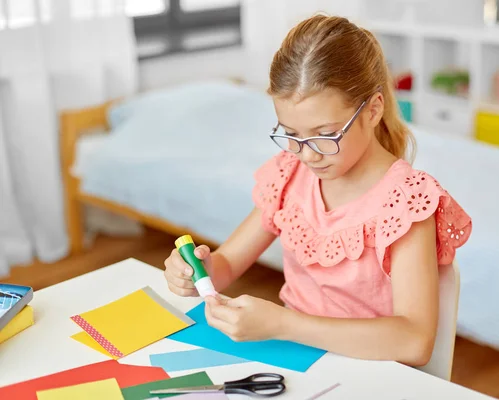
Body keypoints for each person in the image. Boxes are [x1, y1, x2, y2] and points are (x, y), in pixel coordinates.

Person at [163, 14, 472, 366]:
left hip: (370, 371)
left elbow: (414, 342)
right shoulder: (291, 173)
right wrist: (197, 273)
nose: (307, 154)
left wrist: (284, 323)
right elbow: (226, 264)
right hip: (294, 360)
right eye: (292, 135)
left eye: (324, 135)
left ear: (372, 110)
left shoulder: (405, 201)